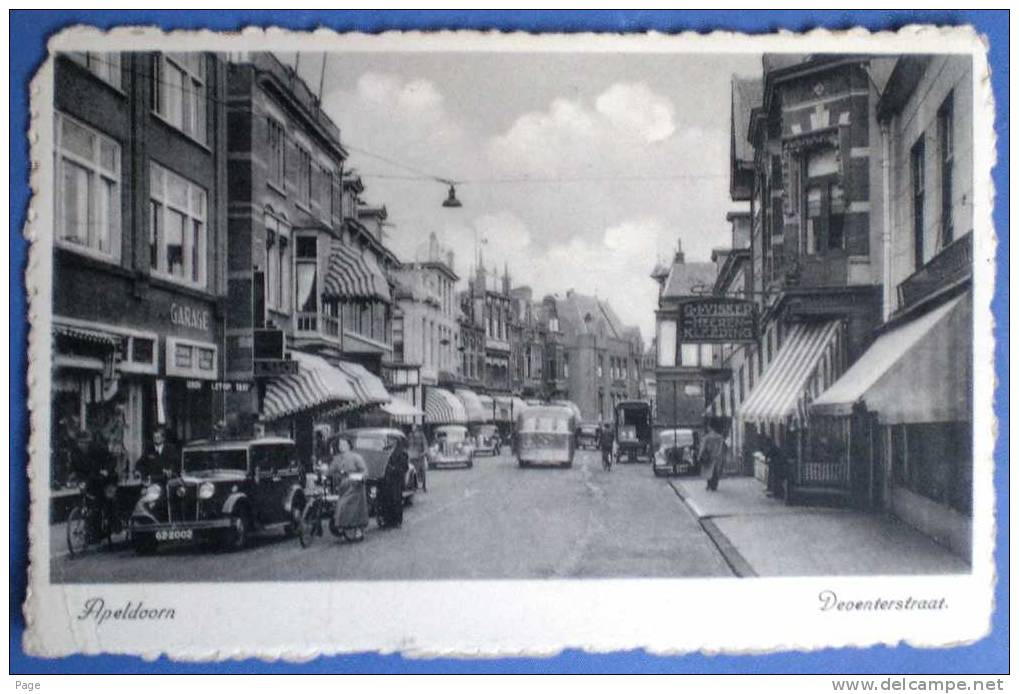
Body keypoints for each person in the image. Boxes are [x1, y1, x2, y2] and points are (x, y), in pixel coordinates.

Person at [328, 438, 368, 541]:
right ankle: (343, 526)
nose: (341, 446)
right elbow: (331, 470)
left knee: (345, 504)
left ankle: (358, 528)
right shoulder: (337, 459)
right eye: (340, 444)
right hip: (343, 486)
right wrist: (324, 470)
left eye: (344, 444)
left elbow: (364, 471)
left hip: (355, 486)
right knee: (340, 504)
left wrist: (360, 477)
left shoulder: (356, 457)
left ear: (349, 445)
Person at [380, 437, 410, 528]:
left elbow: (405, 467)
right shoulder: (384, 451)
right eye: (388, 440)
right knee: (386, 500)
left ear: (396, 442)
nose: (389, 442)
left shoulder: (402, 453)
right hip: (385, 480)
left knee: (396, 500)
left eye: (391, 440)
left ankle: (397, 520)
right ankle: (387, 520)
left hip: (396, 480)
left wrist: (394, 469)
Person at [698, 419, 727, 492]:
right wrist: (719, 454)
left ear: (710, 427)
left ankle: (709, 484)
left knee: (708, 470)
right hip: (717, 456)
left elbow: (703, 447)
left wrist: (700, 455)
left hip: (708, 456)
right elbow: (721, 447)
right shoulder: (720, 437)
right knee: (716, 471)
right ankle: (714, 485)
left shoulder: (707, 437)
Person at [407, 424, 428, 493]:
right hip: (413, 456)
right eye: (412, 427)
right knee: (414, 471)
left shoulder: (421, 435)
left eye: (414, 427)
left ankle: (423, 486)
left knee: (422, 471)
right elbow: (408, 445)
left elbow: (425, 444)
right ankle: (414, 486)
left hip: (419, 455)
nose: (413, 428)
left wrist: (424, 452)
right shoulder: (410, 435)